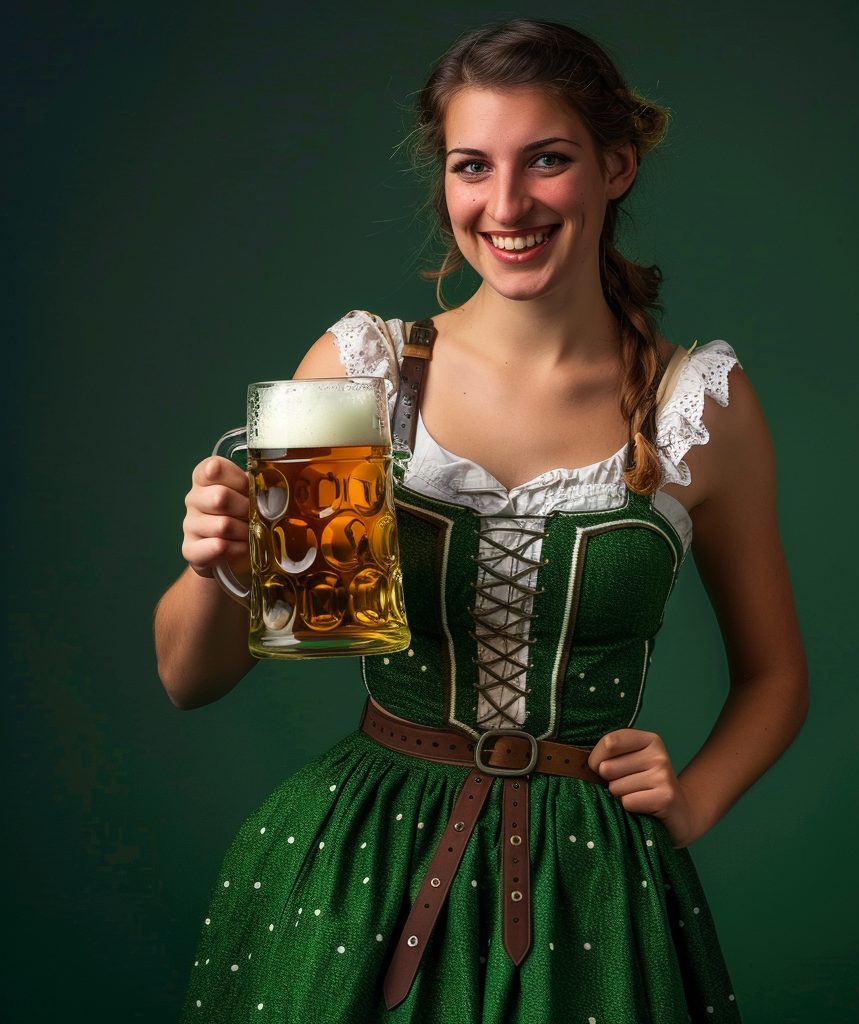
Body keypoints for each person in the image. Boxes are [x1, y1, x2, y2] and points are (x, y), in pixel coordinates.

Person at [156, 18, 808, 1023]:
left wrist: (695, 798)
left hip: (586, 882)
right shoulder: (362, 371)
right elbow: (192, 679)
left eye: (546, 160)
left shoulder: (700, 406)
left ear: (615, 166)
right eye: (473, 166)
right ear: (447, 182)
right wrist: (218, 566)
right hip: (355, 862)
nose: (506, 204)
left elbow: (774, 676)